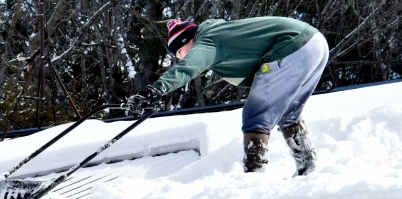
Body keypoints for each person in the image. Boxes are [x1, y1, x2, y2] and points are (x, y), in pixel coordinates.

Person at [126, 17, 329, 176]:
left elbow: (188, 68)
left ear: (188, 40)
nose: (179, 57)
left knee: (255, 115)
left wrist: (154, 90)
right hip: (315, 43)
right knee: (289, 115)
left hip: (292, 46)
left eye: (179, 51)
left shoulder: (207, 41)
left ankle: (255, 173)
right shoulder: (221, 33)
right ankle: (308, 168)